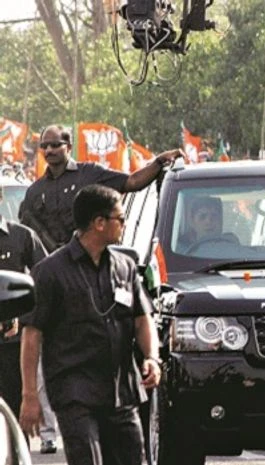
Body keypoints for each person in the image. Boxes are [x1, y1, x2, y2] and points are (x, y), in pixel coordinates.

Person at [19, 184, 161, 465]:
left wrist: (152, 358)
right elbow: (32, 335)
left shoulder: (125, 266)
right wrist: (30, 395)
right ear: (99, 223)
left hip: (121, 393)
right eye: (120, 219)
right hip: (75, 394)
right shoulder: (50, 272)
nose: (124, 224)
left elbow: (142, 318)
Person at [18, 125, 182, 252]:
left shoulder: (90, 174)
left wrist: (158, 163)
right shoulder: (35, 191)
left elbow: (132, 182)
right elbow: (29, 239)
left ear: (68, 146)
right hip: (54, 271)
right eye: (44, 146)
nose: (48, 150)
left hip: (90, 264)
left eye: (55, 145)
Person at [0, 185, 47, 422]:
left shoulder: (22, 236)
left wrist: (22, 314)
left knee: (12, 420)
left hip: (11, 346)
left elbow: (47, 283)